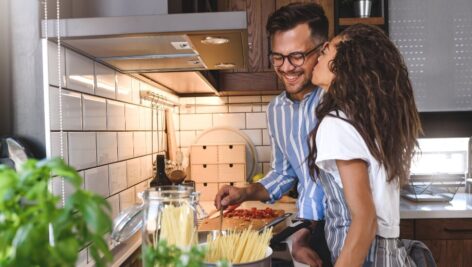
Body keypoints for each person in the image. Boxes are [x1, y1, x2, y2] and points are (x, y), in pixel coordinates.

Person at [214, 3, 331, 267]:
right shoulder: (276, 110)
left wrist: (302, 235)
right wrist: (243, 193)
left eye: (297, 56)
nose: (286, 67)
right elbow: (283, 174)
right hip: (310, 228)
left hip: (345, 231)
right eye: (278, 57)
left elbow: (323, 181)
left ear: (322, 51)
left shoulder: (337, 100)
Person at [308, 24, 422, 266]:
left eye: (328, 49)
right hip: (388, 253)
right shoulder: (366, 124)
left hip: (366, 256)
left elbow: (365, 218)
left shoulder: (336, 124)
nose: (320, 53)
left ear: (346, 64)